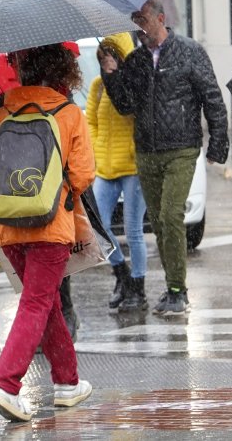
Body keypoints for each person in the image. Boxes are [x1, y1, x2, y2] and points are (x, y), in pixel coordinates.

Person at [0, 44, 96, 422]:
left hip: (10, 227)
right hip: (50, 225)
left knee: (44, 305)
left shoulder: (3, 112)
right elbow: (82, 176)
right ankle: (6, 384)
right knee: (37, 303)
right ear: (64, 74)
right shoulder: (68, 113)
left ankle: (67, 382)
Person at [99, 0, 229, 316]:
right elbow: (125, 105)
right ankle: (172, 287)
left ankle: (177, 290)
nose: (139, 27)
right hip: (147, 151)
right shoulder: (136, 60)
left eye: (143, 19)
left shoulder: (189, 51)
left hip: (181, 148)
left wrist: (218, 145)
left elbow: (212, 97)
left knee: (171, 215)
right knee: (157, 221)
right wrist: (111, 75)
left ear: (160, 18)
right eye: (134, 21)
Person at [0, 54, 80, 342]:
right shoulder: (10, 101)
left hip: (41, 195)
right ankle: (55, 337)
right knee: (42, 283)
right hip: (30, 196)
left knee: (46, 279)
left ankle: (57, 323)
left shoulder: (58, 101)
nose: (13, 66)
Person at [86, 33, 148, 312]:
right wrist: (97, 153)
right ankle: (121, 275)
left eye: (111, 56)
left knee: (134, 231)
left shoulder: (131, 83)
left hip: (132, 167)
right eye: (101, 57)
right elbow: (91, 123)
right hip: (106, 168)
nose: (106, 61)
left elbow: (130, 112)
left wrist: (115, 77)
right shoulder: (98, 86)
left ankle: (138, 288)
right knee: (98, 227)